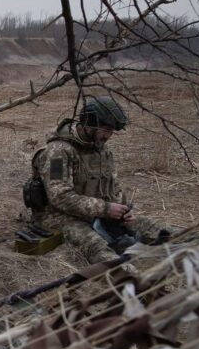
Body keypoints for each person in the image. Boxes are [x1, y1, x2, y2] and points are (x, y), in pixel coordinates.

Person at [25, 96, 174, 264]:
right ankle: (126, 277)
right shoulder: (58, 152)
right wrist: (106, 209)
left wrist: (123, 210)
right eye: (106, 129)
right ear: (90, 122)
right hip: (58, 216)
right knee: (96, 245)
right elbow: (60, 197)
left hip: (96, 211)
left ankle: (196, 242)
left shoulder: (100, 149)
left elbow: (112, 186)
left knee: (150, 226)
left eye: (111, 131)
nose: (108, 136)